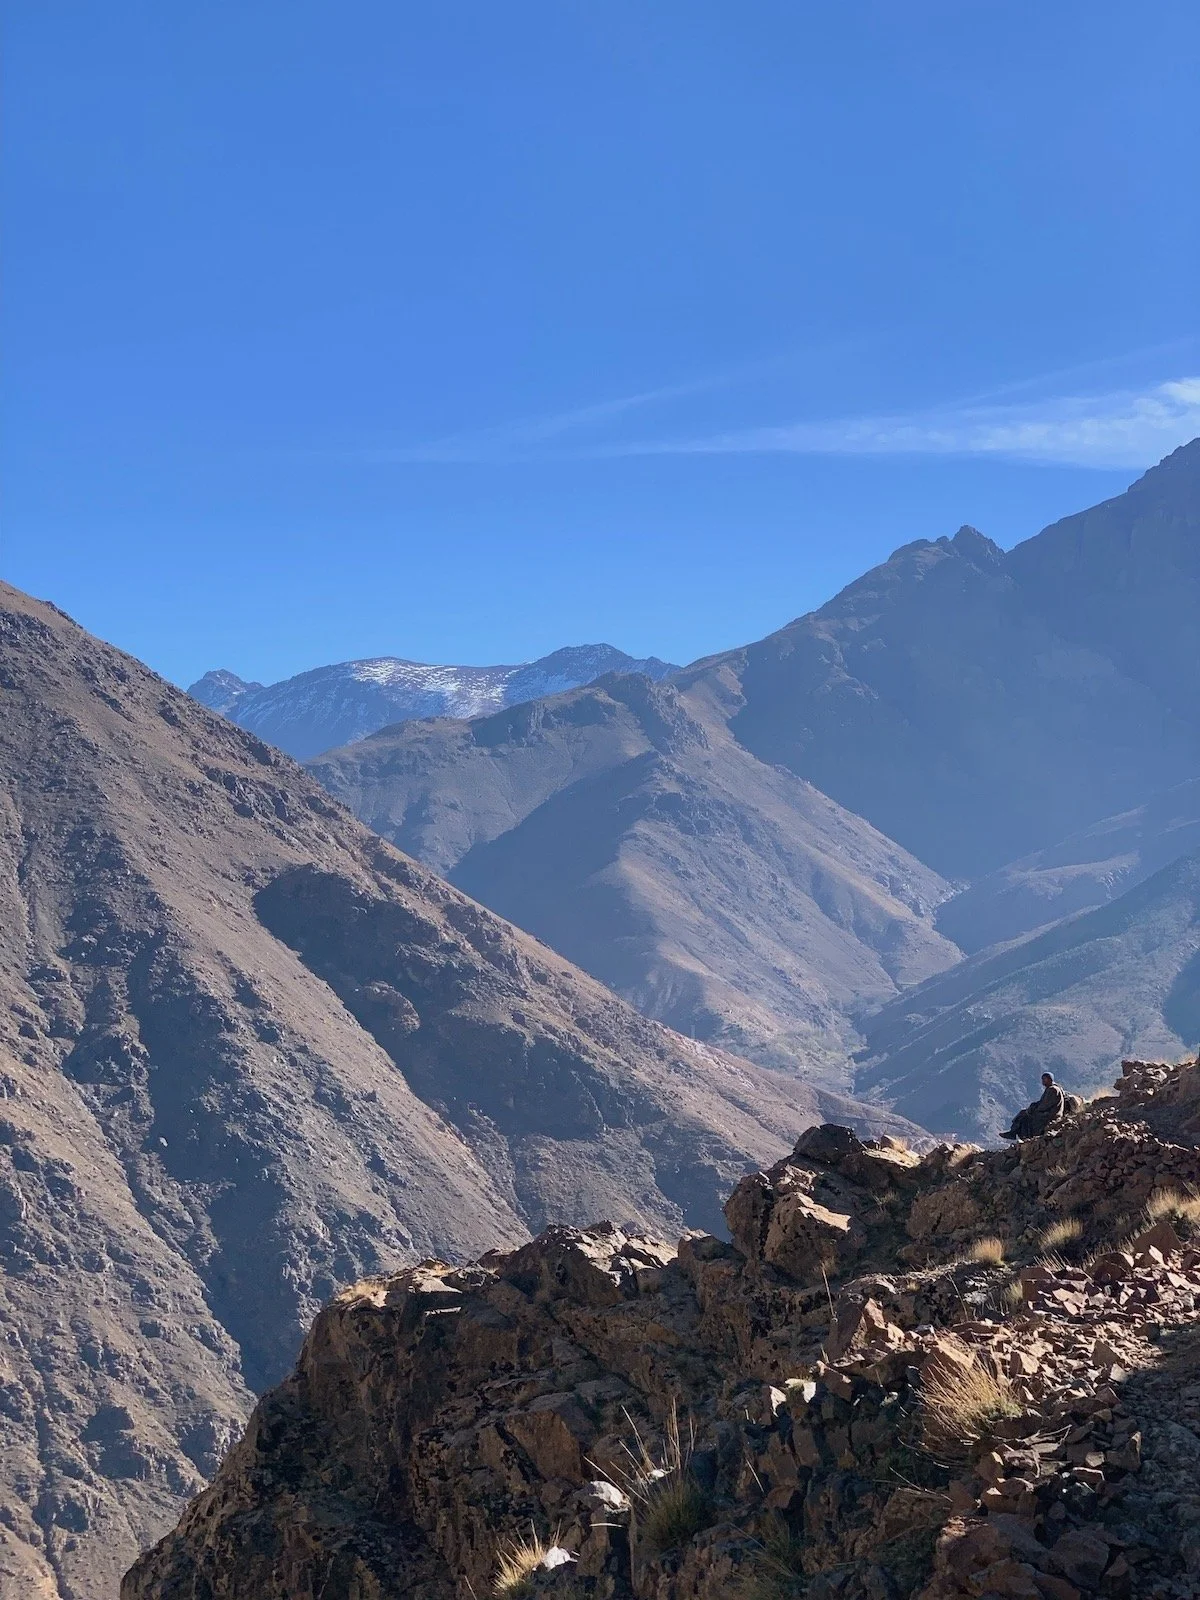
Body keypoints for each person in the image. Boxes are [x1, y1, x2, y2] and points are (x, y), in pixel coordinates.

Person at [1000, 1072, 1067, 1141]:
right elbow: (1043, 1103)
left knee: (1025, 1115)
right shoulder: (1051, 1088)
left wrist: (1033, 1109)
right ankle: (1015, 1133)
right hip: (1048, 1112)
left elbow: (1044, 1106)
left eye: (1045, 1079)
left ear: (1050, 1079)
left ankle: (1016, 1134)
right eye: (1042, 1079)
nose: (1043, 1081)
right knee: (1024, 1113)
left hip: (1050, 1115)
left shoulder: (1053, 1090)